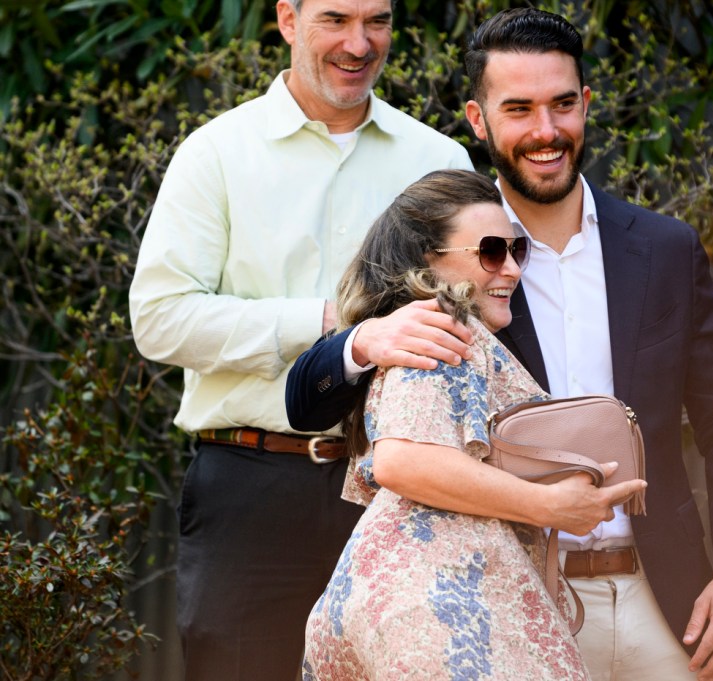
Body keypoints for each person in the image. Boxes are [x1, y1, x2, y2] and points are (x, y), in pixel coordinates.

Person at [286, 8, 713, 681]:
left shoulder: (666, 249)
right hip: (511, 600)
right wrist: (366, 337)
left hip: (666, 596)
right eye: (519, 108)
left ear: (586, 106)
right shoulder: (460, 261)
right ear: (479, 120)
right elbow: (306, 396)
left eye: (562, 104)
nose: (546, 130)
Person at [127, 0, 475, 677]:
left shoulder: (438, 161)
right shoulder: (216, 154)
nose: (359, 43)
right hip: (250, 487)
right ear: (287, 19)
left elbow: (472, 321)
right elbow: (160, 317)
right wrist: (327, 322)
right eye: (336, 19)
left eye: (377, 20)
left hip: (396, 489)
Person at [300, 169, 646, 680]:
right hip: (440, 613)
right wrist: (550, 505)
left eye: (517, 251)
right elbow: (403, 460)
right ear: (429, 260)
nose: (510, 269)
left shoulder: (422, 331)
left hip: (407, 604)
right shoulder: (444, 328)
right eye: (490, 252)